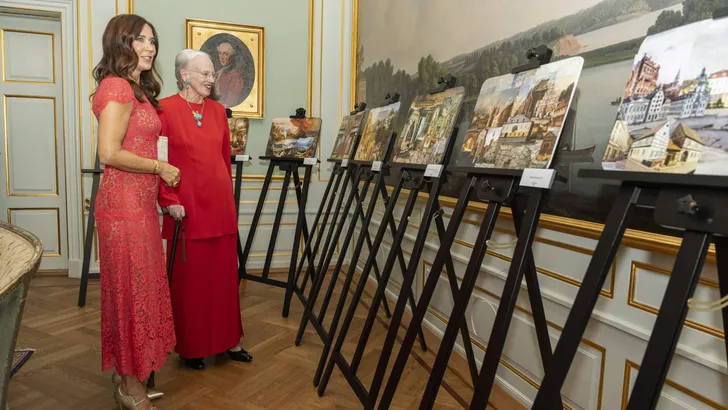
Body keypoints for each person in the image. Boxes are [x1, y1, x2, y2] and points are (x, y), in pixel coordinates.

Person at [91, 14, 178, 410]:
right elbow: (108, 152)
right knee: (132, 293)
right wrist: (161, 167)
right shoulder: (117, 87)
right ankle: (131, 387)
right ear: (120, 43)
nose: (149, 47)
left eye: (152, 40)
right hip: (123, 207)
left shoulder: (137, 88)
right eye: (140, 40)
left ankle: (129, 373)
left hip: (139, 205)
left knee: (138, 291)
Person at [157, 49, 252, 371]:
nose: (212, 79)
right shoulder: (164, 110)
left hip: (220, 208)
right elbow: (161, 163)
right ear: (184, 74)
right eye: (205, 74)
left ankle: (229, 340)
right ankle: (192, 346)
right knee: (192, 284)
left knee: (225, 279)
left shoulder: (217, 111)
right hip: (187, 210)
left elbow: (223, 160)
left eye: (213, 73)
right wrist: (169, 201)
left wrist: (228, 200)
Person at [214, 42, 245, 107]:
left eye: (226, 54)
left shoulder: (235, 75)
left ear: (231, 56)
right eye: (220, 53)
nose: (222, 57)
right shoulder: (219, 72)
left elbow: (230, 102)